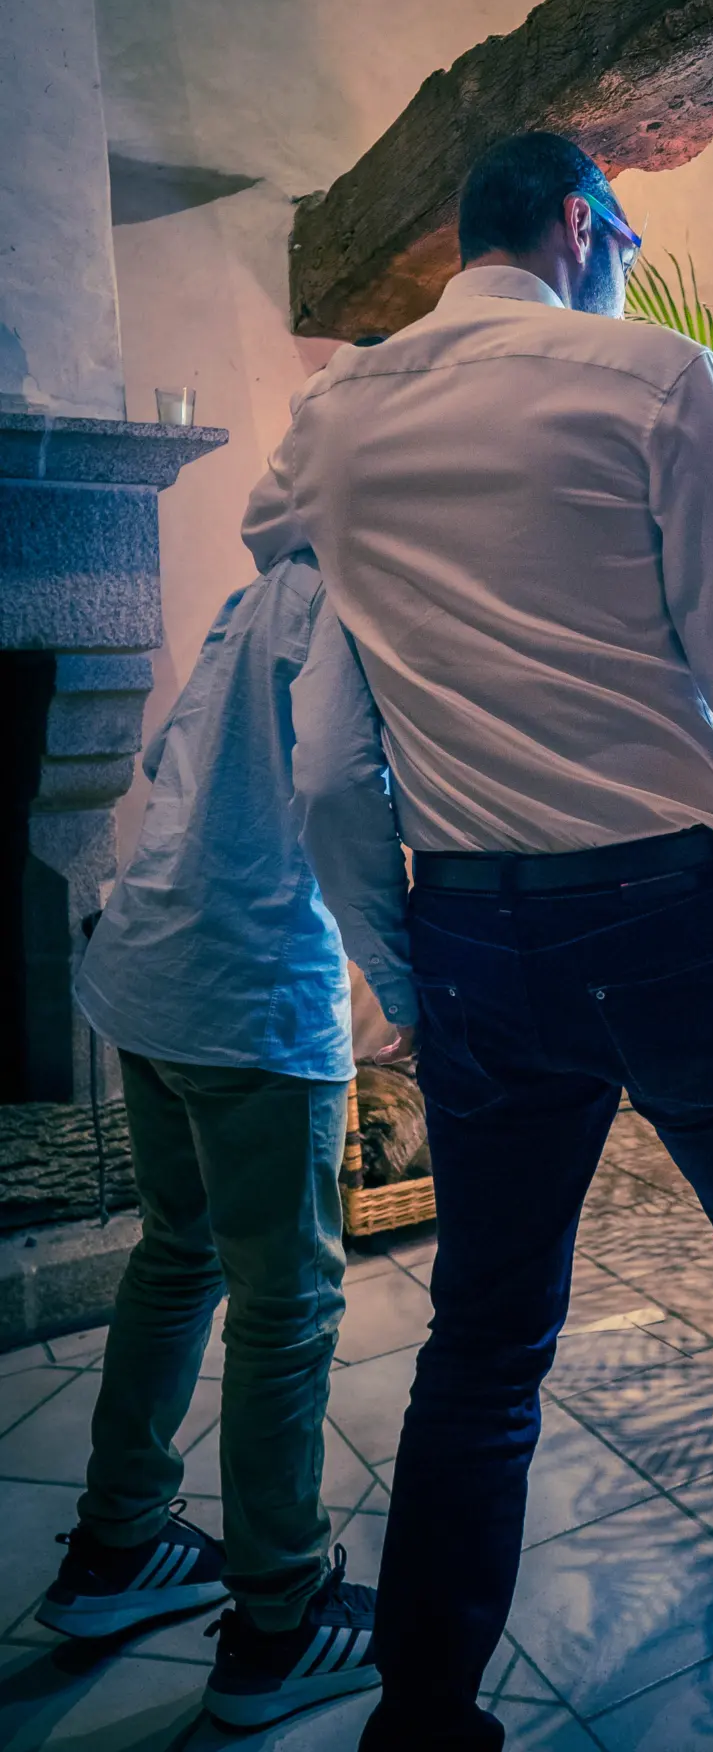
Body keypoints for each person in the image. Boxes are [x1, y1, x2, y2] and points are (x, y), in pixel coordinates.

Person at [242, 131, 713, 1752]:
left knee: (485, 1329)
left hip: (473, 929)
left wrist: (403, 958)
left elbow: (307, 679)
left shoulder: (337, 417)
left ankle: (423, 1718)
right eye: (628, 237)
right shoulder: (653, 381)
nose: (630, 265)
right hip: (681, 919)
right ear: (579, 223)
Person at [40, 549, 415, 1732]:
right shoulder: (361, 589)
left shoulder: (257, 595)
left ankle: (117, 1544)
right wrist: (403, 979)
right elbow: (343, 789)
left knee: (178, 1253)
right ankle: (278, 1618)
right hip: (249, 994)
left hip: (150, 966)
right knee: (286, 1309)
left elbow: (163, 756)